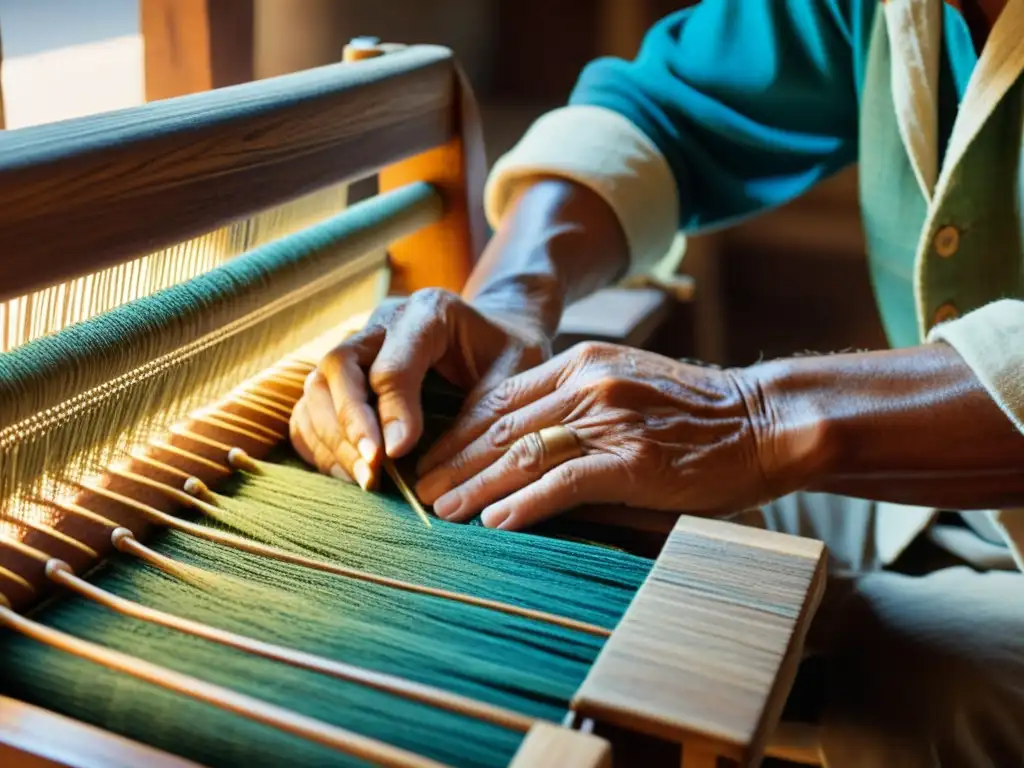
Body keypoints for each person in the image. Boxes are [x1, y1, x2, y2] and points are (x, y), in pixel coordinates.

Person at [292, 1, 1024, 764]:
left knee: (919, 694)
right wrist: (511, 296)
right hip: (940, 498)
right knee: (594, 494)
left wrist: (755, 419)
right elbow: (671, 112)